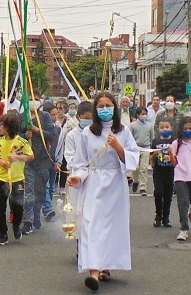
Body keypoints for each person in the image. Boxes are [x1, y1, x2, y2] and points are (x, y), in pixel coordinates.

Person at [67, 92, 139, 291]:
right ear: (95, 110)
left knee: (111, 227)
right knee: (90, 225)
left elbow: (133, 158)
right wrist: (77, 177)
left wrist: (118, 147)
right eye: (101, 106)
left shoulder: (123, 131)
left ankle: (105, 265)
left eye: (108, 105)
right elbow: (82, 163)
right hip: (94, 183)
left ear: (114, 108)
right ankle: (93, 272)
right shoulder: (87, 133)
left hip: (115, 183)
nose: (105, 109)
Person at [0, 113, 34, 245]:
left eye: (2, 125)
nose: (0, 128)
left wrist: (17, 157)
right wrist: (1, 162)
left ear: (9, 127)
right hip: (0, 179)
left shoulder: (21, 142)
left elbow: (30, 156)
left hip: (17, 180)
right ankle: (2, 233)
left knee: (17, 207)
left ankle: (16, 226)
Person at [20, 100, 57, 235]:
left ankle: (37, 215)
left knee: (40, 190)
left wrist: (35, 130)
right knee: (29, 190)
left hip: (43, 160)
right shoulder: (21, 116)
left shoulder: (45, 116)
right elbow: (15, 136)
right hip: (27, 160)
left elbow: (51, 134)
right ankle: (28, 221)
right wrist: (25, 135)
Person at [150, 117, 175, 227]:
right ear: (158, 129)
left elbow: (178, 157)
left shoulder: (174, 141)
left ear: (171, 128)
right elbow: (151, 159)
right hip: (158, 171)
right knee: (159, 192)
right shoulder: (156, 141)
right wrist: (154, 155)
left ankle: (166, 217)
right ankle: (158, 215)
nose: (164, 129)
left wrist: (171, 155)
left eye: (167, 127)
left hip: (170, 171)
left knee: (168, 194)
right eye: (162, 127)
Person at [129, 107, 155, 196]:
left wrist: (152, 149)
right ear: (138, 115)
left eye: (145, 114)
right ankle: (135, 181)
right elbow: (129, 138)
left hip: (146, 147)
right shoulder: (132, 125)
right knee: (135, 167)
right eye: (142, 114)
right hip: (135, 147)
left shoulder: (150, 126)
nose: (144, 116)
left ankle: (142, 187)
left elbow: (152, 137)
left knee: (144, 168)